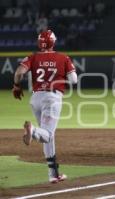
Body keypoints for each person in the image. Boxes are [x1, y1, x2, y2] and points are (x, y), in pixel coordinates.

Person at [12, 30, 78, 183]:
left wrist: (16, 86)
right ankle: (32, 129)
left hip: (36, 98)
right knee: (47, 134)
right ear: (53, 42)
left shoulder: (33, 57)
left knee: (48, 136)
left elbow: (18, 72)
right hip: (52, 98)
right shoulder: (63, 58)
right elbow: (73, 80)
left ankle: (53, 174)